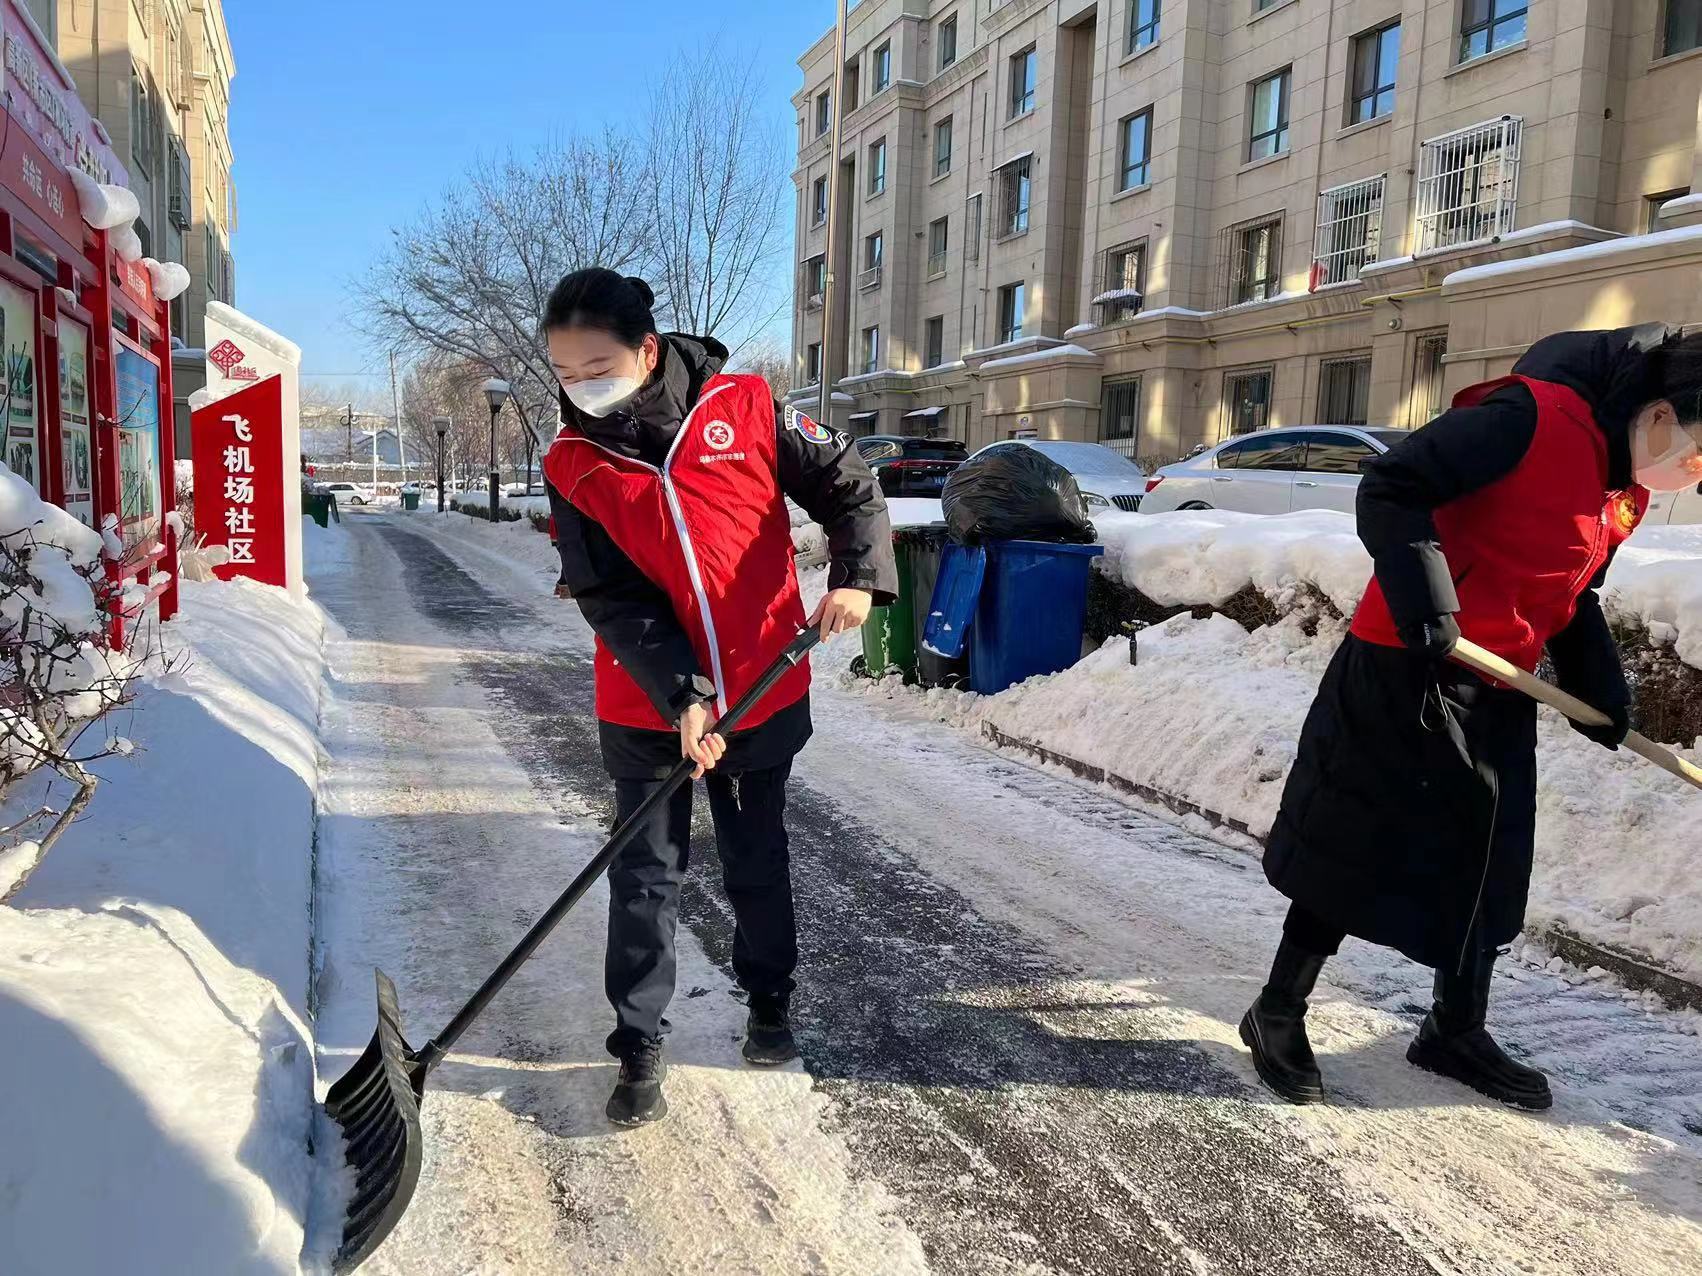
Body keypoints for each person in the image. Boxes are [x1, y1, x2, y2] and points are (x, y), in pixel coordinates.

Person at [1241, 325, 1702, 1111]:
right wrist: (1426, 594)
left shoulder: (1621, 490)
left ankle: (1454, 1029)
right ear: (1662, 413)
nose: (1692, 474)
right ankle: (1277, 1009)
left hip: (1501, 680)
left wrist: (1603, 696)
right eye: (1697, 451)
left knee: (1486, 855)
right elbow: (1392, 485)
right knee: (1356, 839)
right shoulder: (1528, 419)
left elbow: (1572, 594)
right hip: (1406, 658)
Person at [539, 269, 898, 1126]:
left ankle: (769, 1002)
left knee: (755, 860)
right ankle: (638, 1047)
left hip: (764, 684)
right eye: (565, 371)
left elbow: (850, 483)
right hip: (644, 701)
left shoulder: (746, 406)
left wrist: (858, 577)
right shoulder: (572, 462)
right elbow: (609, 597)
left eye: (598, 365)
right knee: (645, 875)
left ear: (647, 350)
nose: (583, 385)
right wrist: (681, 696)